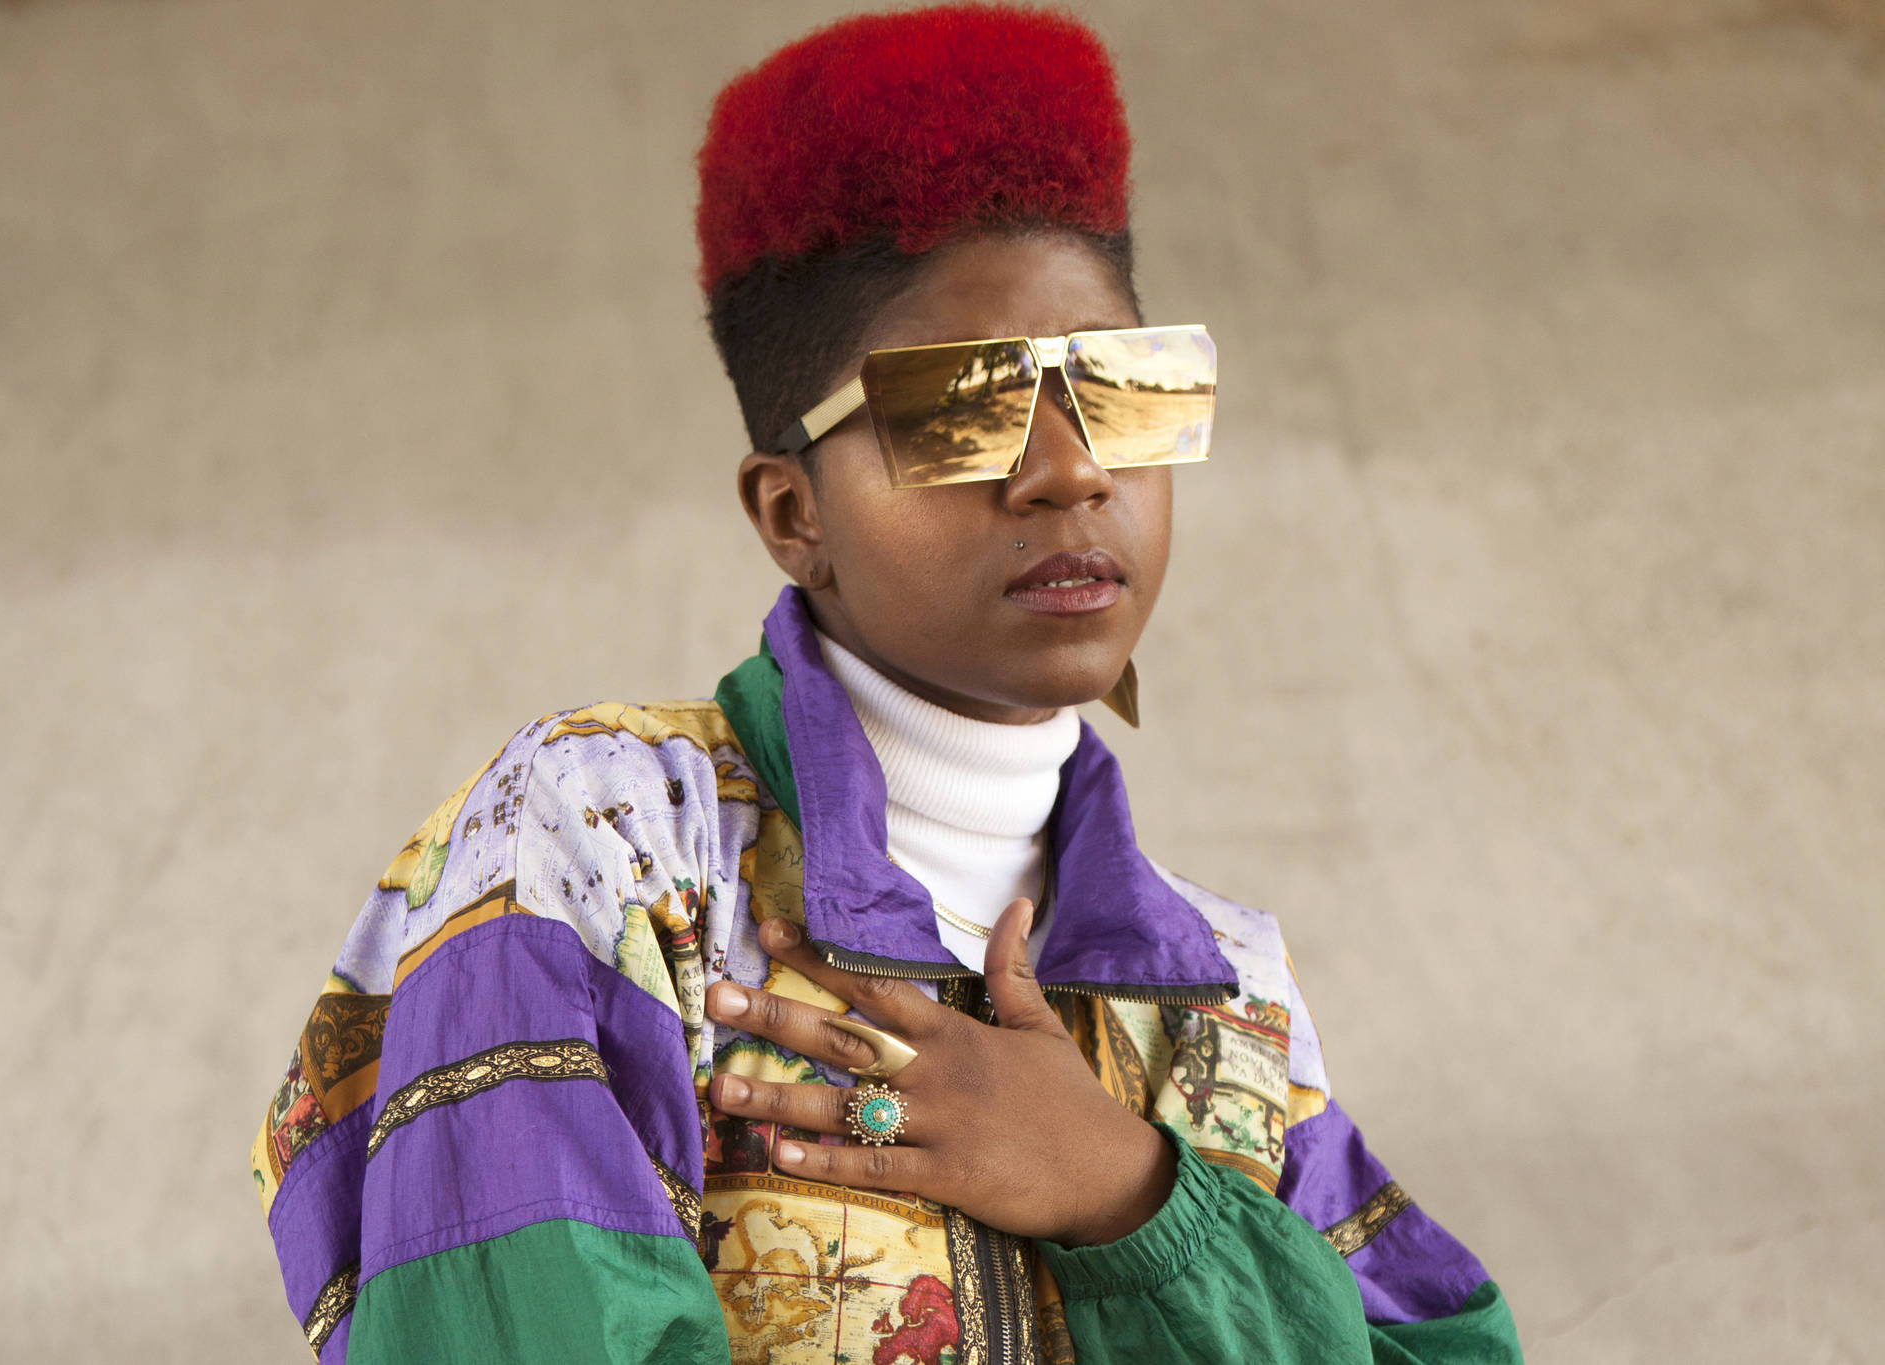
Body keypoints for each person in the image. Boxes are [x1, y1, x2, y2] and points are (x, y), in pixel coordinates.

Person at [251, 6, 1524, 1362]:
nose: (1071, 470)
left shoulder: (1225, 987)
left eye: (1123, 388)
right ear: (793, 512)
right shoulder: (605, 842)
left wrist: (1128, 1194)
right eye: (964, 405)